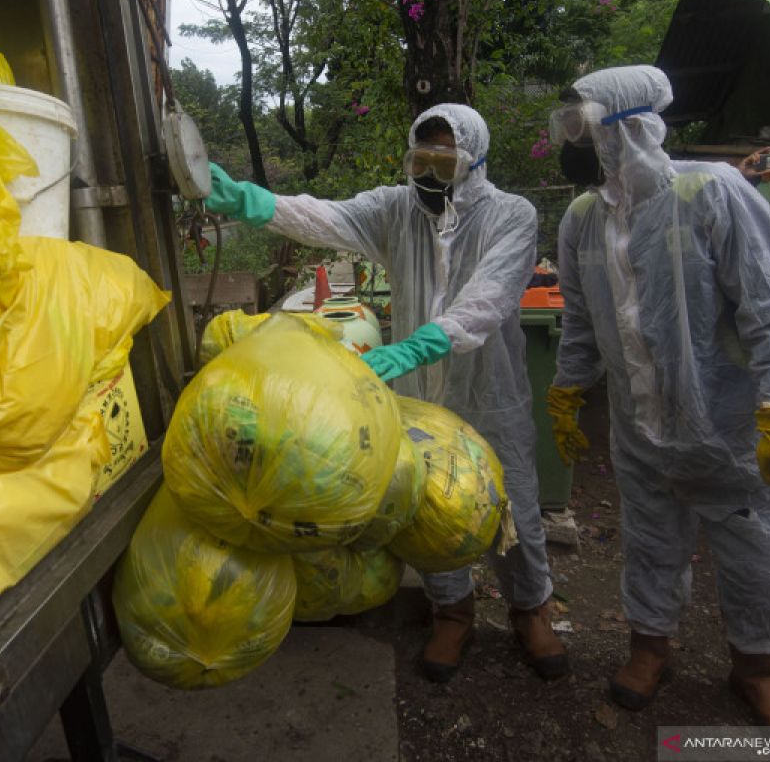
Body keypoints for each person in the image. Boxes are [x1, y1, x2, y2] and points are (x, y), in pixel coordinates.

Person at [204, 104, 569, 683]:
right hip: (420, 389)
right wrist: (254, 201)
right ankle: (452, 610)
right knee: (422, 496)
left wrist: (419, 345)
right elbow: (323, 217)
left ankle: (531, 609)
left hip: (488, 387)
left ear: (473, 159)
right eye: (419, 158)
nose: (429, 172)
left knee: (511, 498)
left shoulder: (512, 215)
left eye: (444, 159)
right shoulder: (395, 209)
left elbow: (489, 296)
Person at [544, 65, 770, 726]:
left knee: (760, 556)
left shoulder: (711, 191)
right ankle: (649, 648)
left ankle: (757, 669)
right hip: (641, 435)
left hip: (733, 428)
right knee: (651, 544)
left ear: (628, 126)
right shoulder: (581, 219)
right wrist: (567, 390)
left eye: (579, 123)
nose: (569, 139)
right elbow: (579, 321)